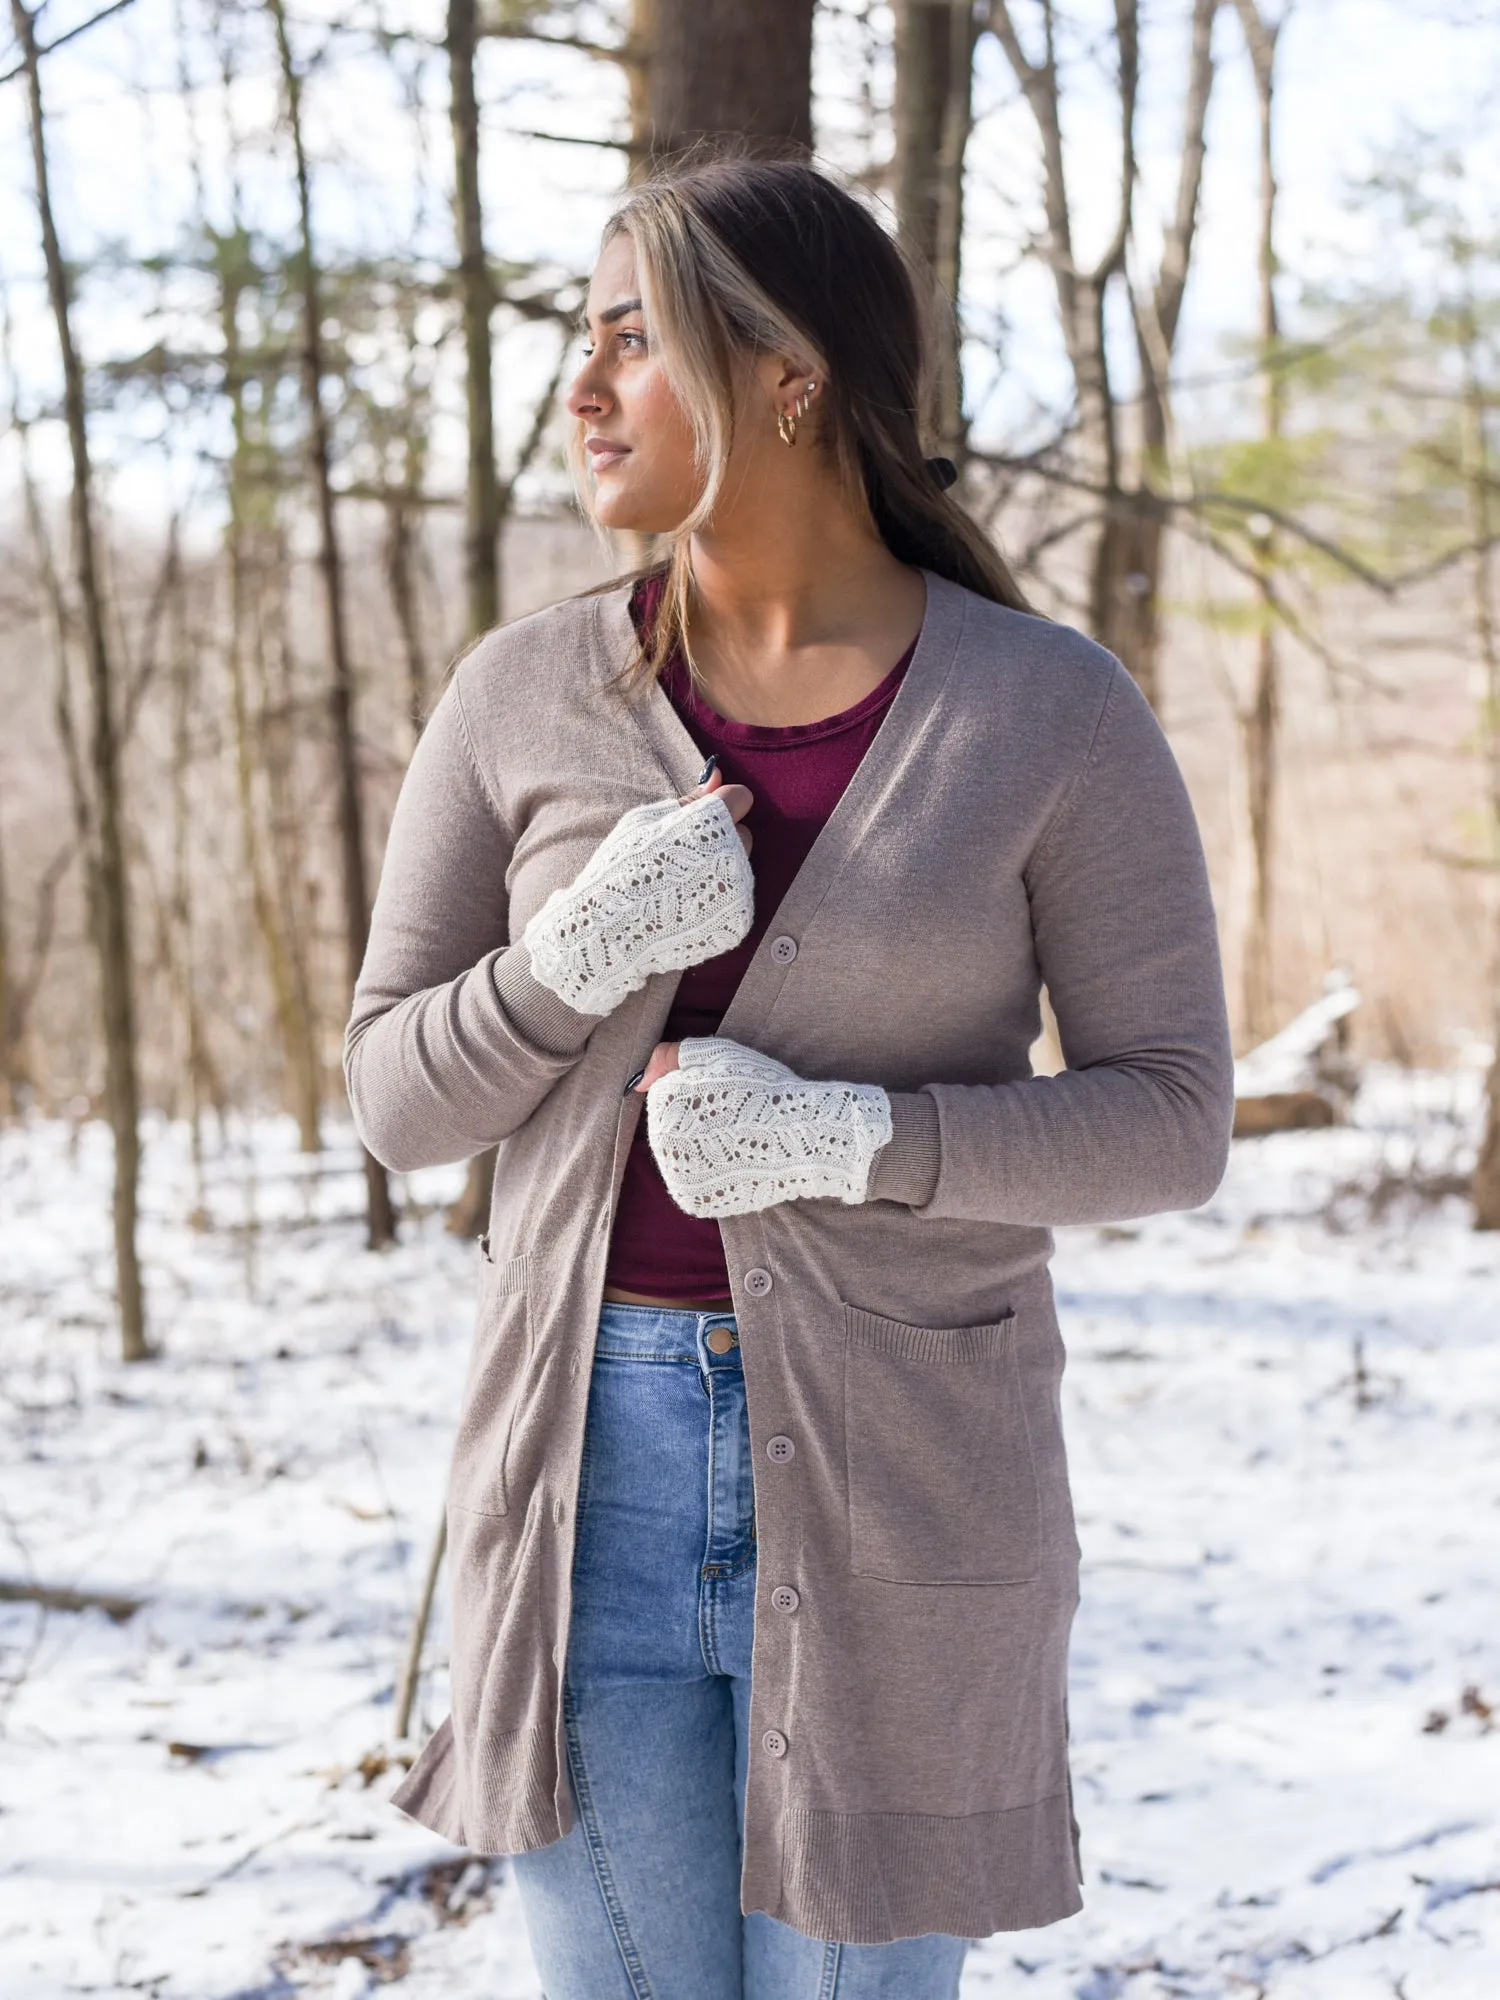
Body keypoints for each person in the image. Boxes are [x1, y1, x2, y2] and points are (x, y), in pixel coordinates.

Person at [345, 153, 1234, 2000]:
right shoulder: (522, 698)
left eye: (627, 341)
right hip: (585, 1467)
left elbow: (1171, 1114)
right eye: (577, 346)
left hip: (910, 1474)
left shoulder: (1046, 713)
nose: (581, 394)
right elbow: (394, 1097)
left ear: (787, 377)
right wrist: (566, 964)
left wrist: (857, 1141)